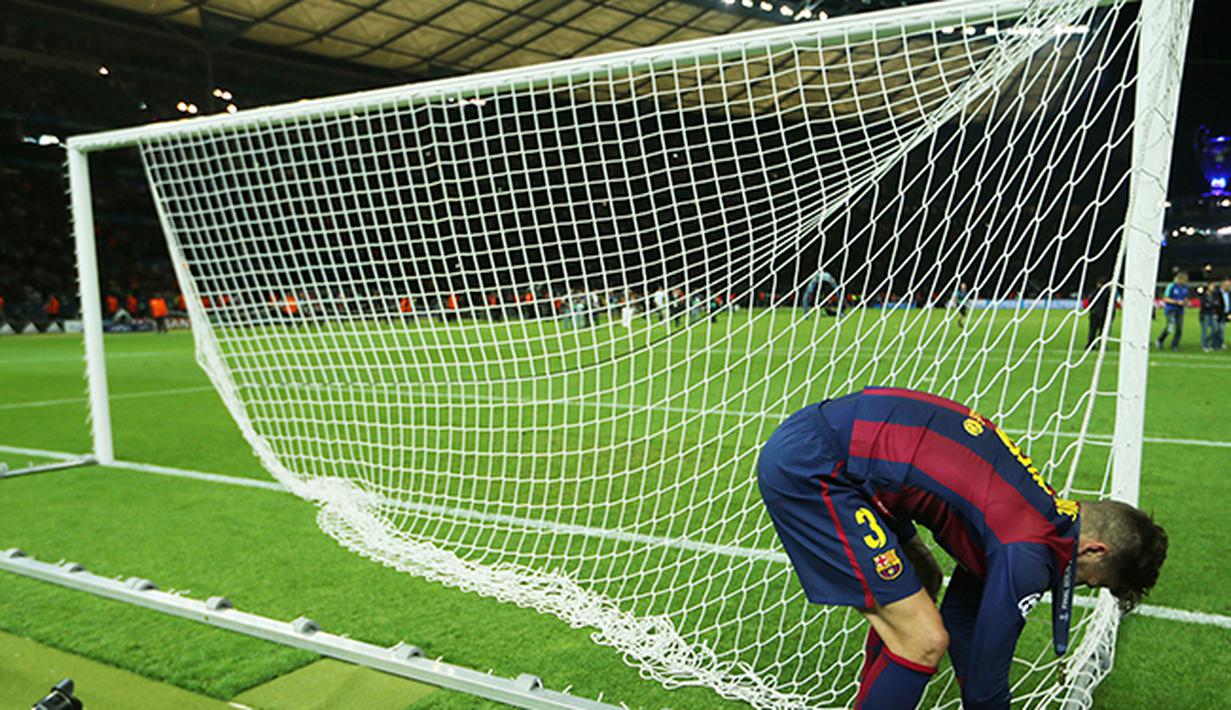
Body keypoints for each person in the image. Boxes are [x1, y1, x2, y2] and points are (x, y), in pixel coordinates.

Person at [757, 387, 1167, 710]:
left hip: (838, 446)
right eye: (1089, 582)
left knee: (925, 578)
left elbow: (964, 618)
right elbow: (986, 688)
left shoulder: (1041, 513)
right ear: (1094, 550)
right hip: (817, 466)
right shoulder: (1026, 552)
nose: (1076, 586)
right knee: (922, 638)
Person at [1155, 271, 1188, 351]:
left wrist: (1185, 302)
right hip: (1171, 310)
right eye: (1183, 279)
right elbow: (1165, 298)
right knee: (1170, 327)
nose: (1185, 281)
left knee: (1179, 329)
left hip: (1180, 311)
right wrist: (1176, 302)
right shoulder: (1171, 286)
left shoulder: (1185, 288)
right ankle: (1160, 339)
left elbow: (1185, 298)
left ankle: (1174, 345)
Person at [1086, 279, 1115, 348]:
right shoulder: (1108, 293)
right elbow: (1111, 305)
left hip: (1095, 313)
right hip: (1103, 314)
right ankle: (1102, 344)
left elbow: (1089, 301)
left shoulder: (1094, 292)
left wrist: (1091, 310)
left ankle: (1091, 344)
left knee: (1093, 330)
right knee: (1103, 330)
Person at [1199, 282, 1224, 352]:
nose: (1213, 287)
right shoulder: (1204, 295)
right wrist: (1212, 304)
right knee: (1204, 330)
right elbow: (1205, 305)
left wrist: (1212, 304)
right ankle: (1204, 346)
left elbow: (1217, 304)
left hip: (1213, 314)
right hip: (1205, 314)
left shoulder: (1215, 295)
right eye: (1212, 286)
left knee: (1216, 329)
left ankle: (1208, 342)